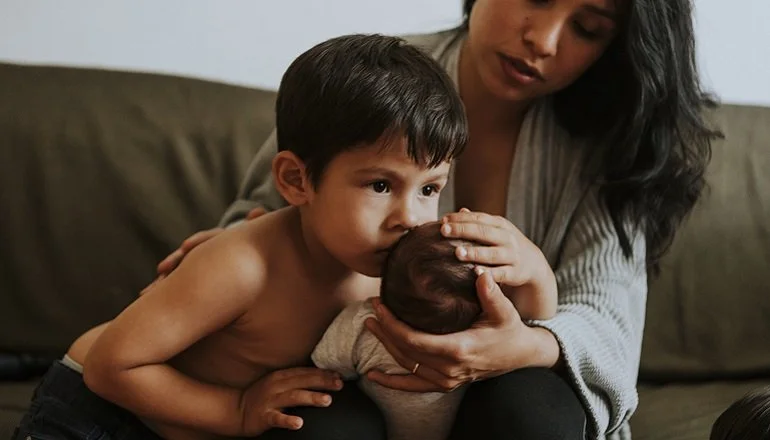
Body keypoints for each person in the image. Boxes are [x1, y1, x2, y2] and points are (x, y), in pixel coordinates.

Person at [157, 0, 721, 438]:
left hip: (512, 405)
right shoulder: (370, 79)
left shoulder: (614, 141)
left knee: (530, 408)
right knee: (318, 418)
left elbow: (608, 330)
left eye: (588, 28)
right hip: (358, 386)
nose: (544, 40)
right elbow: (267, 212)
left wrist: (525, 346)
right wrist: (236, 248)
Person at [12, 33, 468, 440]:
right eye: (381, 186)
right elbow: (111, 366)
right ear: (296, 180)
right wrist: (236, 410)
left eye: (429, 189)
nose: (409, 217)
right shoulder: (244, 265)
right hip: (95, 413)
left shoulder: (388, 270)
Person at [311, 220, 557, 440]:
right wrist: (539, 274)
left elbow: (325, 368)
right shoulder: (486, 343)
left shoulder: (362, 324)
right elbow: (536, 320)